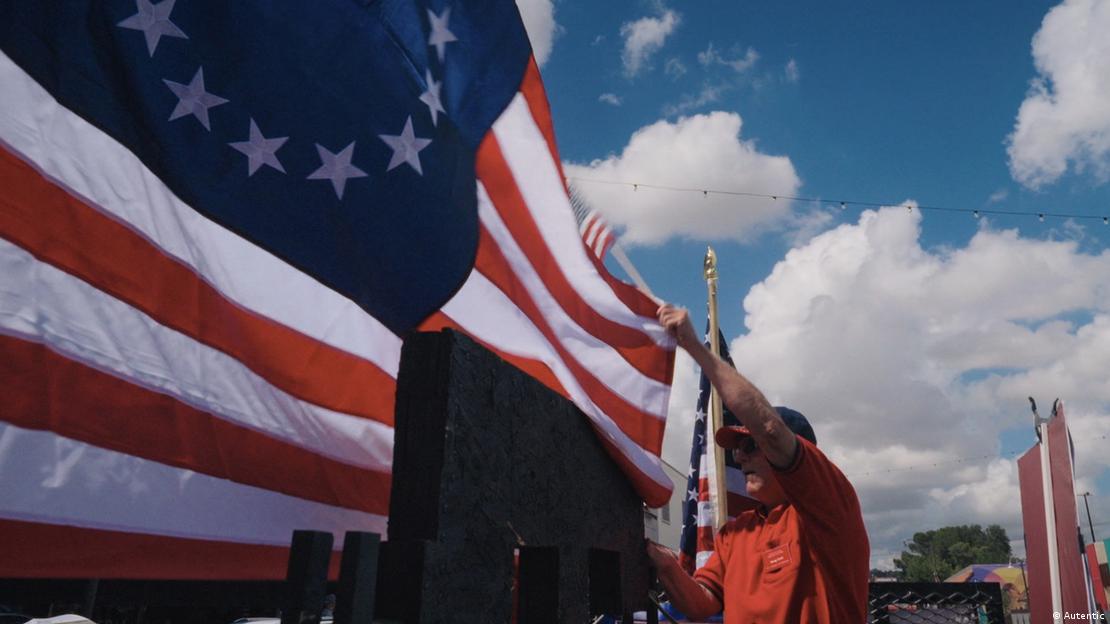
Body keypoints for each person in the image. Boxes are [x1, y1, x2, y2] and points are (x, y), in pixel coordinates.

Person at [646, 304, 870, 624]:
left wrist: (695, 348)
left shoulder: (828, 508)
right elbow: (703, 604)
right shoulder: (736, 532)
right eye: (738, 447)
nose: (739, 456)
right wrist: (665, 564)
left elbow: (769, 429)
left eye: (750, 445)